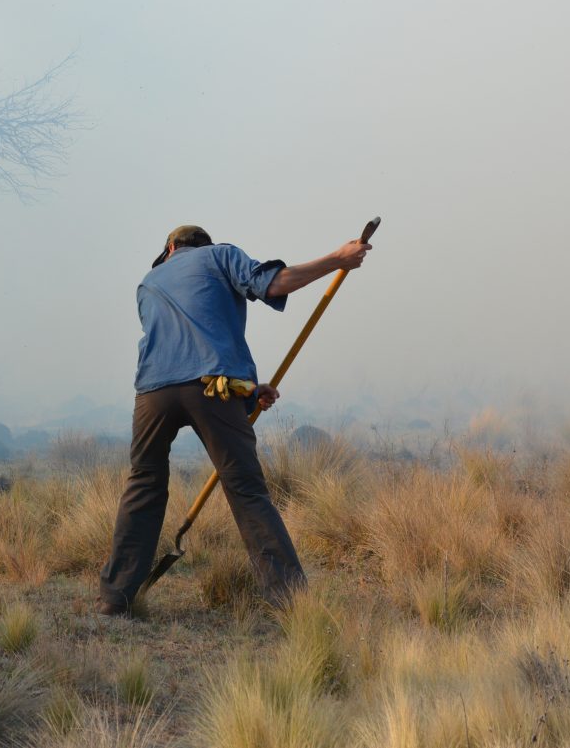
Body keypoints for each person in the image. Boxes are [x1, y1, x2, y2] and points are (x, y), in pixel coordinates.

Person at [97, 224, 371, 615]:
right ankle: (290, 603)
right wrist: (337, 259)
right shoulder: (220, 255)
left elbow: (182, 345)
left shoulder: (148, 282)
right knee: (246, 489)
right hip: (212, 387)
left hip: (153, 394)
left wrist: (248, 390)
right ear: (198, 246)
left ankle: (114, 598)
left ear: (170, 249)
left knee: (143, 484)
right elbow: (274, 284)